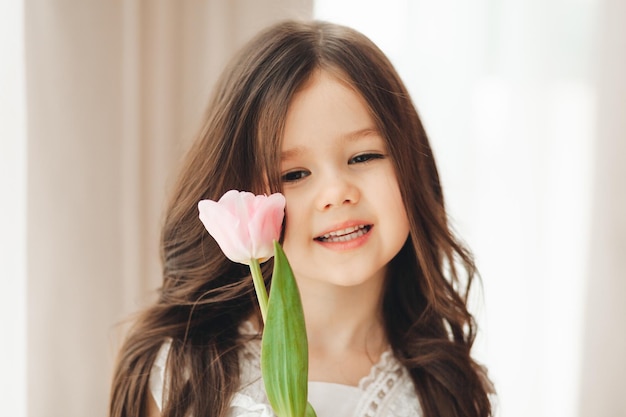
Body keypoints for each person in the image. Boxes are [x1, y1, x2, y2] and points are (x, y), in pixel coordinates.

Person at [109, 19, 493, 417]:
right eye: (294, 175)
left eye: (363, 156)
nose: (337, 193)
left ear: (414, 164)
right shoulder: (185, 373)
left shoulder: (449, 389)